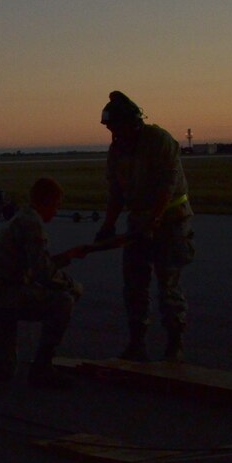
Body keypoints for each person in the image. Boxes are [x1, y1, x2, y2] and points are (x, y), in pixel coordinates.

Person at [96, 91, 195, 362]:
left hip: (172, 221)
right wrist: (108, 225)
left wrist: (155, 221)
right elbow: (116, 191)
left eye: (115, 126)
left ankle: (175, 345)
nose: (113, 132)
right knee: (134, 285)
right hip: (139, 221)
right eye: (110, 128)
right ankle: (137, 343)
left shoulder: (159, 141)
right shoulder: (118, 149)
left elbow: (168, 185)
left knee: (168, 286)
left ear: (133, 122)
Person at [0, 177, 83, 388]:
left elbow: (34, 265)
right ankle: (43, 368)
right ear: (47, 202)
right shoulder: (32, 224)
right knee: (63, 301)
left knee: (2, 368)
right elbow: (42, 273)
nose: (55, 212)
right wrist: (72, 284)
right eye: (55, 206)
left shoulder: (24, 219)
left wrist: (65, 258)